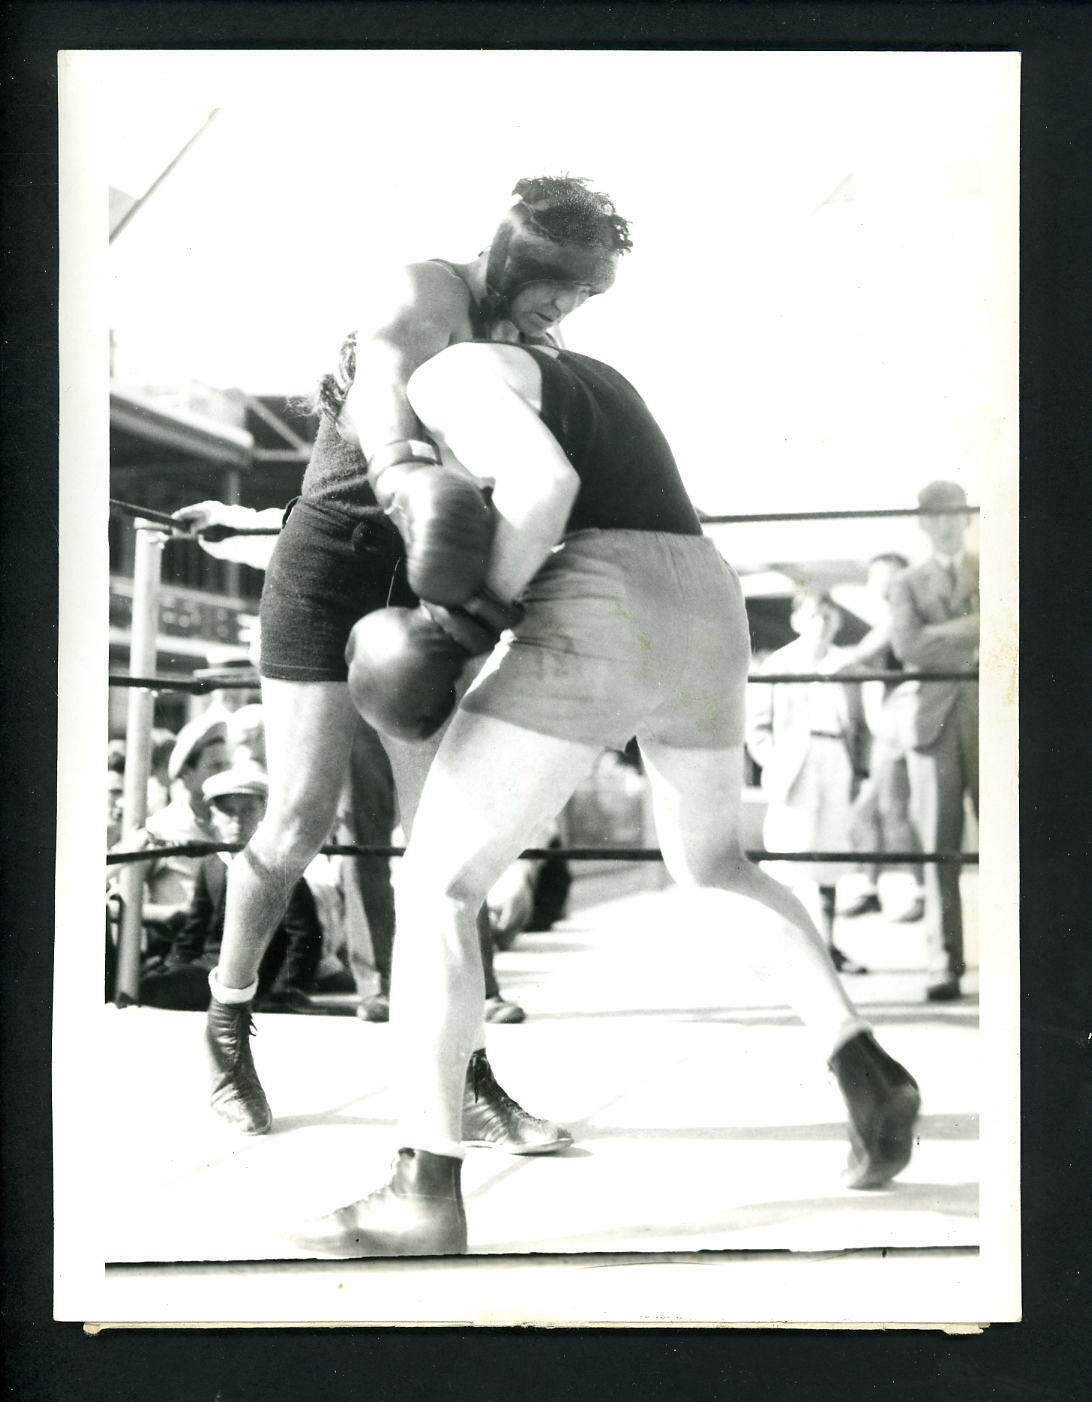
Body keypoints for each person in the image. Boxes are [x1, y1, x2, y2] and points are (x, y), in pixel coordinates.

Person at [285, 336, 921, 1258]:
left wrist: (460, 627)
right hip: (705, 595)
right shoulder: (584, 377)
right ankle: (865, 1067)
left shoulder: (443, 376)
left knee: (436, 890)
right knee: (712, 862)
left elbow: (543, 490)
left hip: (603, 598)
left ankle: (422, 1188)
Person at [190, 175, 631, 1146]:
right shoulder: (423, 289)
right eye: (560, 285)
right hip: (325, 568)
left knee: (443, 845)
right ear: (518, 256)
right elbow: (384, 390)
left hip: (421, 582)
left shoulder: (535, 351)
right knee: (299, 816)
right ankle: (227, 1023)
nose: (567, 308)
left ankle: (469, 1076)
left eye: (586, 295)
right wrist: (398, 469)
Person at [745, 591, 870, 974]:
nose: (822, 623)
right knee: (789, 857)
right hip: (795, 765)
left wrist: (859, 770)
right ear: (798, 620)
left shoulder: (845, 666)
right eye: (814, 615)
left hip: (836, 759)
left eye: (829, 617)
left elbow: (860, 726)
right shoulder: (780, 663)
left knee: (831, 854)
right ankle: (781, 951)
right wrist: (776, 765)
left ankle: (829, 946)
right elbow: (757, 726)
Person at [888, 481, 979, 1002]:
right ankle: (943, 964)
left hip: (992, 719)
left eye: (954, 514)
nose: (945, 523)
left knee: (1011, 840)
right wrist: (970, 631)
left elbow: (1011, 628)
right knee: (938, 848)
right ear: (923, 523)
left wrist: (939, 633)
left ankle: (1026, 953)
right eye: (934, 516)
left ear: (967, 518)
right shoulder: (906, 581)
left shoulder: (996, 567)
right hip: (934, 724)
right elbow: (907, 646)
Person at [141, 765, 323, 1013]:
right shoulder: (212, 863)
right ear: (213, 815)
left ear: (263, 811)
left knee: (153, 992)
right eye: (228, 811)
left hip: (255, 974)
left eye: (248, 810)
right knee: (147, 987)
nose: (237, 820)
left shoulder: (276, 866)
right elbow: (195, 929)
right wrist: (174, 966)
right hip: (209, 969)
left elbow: (305, 934)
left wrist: (287, 991)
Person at [839, 553, 925, 922]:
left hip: (904, 726)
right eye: (874, 574)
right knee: (871, 813)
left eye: (883, 574)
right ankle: (873, 889)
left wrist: (824, 660)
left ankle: (923, 894)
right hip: (890, 726)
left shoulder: (902, 614)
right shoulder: (893, 614)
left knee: (895, 814)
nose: (877, 581)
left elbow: (859, 657)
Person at [111, 713, 229, 958]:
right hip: (179, 951)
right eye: (216, 767)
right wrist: (165, 914)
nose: (226, 775)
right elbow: (112, 900)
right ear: (186, 773)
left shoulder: (231, 824)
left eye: (228, 766)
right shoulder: (161, 828)